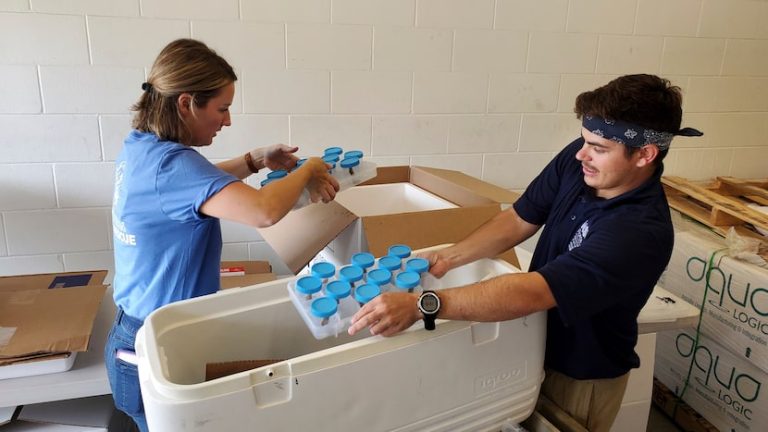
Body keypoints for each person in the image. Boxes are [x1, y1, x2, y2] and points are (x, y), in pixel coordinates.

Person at [347, 74, 703, 432]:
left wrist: (423, 304)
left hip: (578, 374)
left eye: (599, 147)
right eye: (584, 140)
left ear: (644, 154)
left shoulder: (637, 232)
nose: (582, 154)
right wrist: (450, 257)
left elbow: (536, 291)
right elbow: (520, 218)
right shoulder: (581, 163)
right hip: (531, 345)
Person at [106, 38, 339, 432]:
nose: (227, 120)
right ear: (186, 103)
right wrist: (309, 170)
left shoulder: (143, 148)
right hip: (154, 346)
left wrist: (255, 161)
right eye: (222, 108)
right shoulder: (174, 167)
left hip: (136, 333)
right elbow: (263, 211)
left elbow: (199, 188)